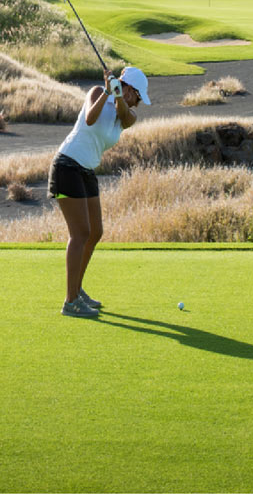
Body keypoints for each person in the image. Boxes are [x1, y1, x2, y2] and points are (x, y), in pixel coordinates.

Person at [49, 66, 150, 317]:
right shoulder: (96, 92)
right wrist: (107, 91)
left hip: (87, 170)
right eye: (138, 97)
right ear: (131, 90)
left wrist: (118, 96)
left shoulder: (128, 116)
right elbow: (89, 119)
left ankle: (77, 289)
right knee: (81, 233)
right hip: (67, 166)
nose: (138, 103)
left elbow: (125, 116)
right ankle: (70, 301)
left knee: (95, 232)